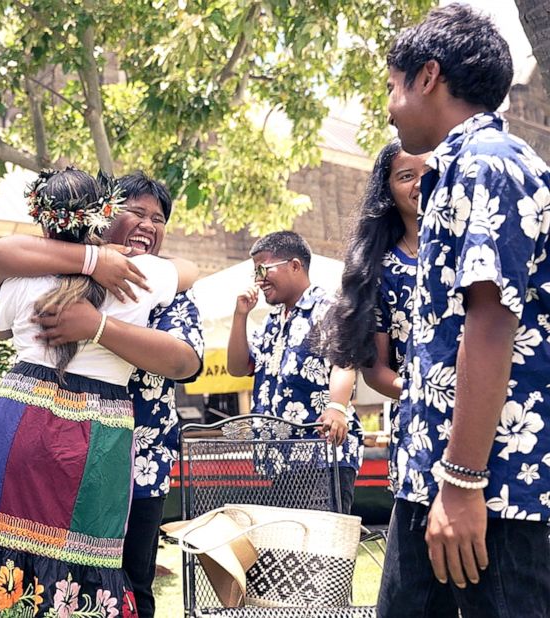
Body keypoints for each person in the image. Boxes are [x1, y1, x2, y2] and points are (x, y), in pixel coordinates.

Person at [0, 167, 196, 617]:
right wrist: (94, 262)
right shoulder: (147, 275)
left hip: (23, 415)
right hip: (99, 431)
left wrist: (93, 316)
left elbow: (1, 319)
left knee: (1, 546)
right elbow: (189, 270)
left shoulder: (24, 277)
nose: (148, 226)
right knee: (85, 561)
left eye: (158, 220)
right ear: (104, 215)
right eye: (135, 213)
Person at [376, 5, 550, 617]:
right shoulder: (453, 170)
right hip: (433, 475)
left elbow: (492, 322)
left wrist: (463, 484)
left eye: (392, 87)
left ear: (427, 76)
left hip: (488, 488)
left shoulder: (489, 164)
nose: (389, 106)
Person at [227, 231, 364, 513]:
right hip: (280, 459)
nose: (258, 279)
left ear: (295, 265)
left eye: (263, 269)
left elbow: (344, 360)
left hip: (323, 455)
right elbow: (238, 367)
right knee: (291, 551)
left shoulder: (328, 308)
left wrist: (337, 407)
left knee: (322, 550)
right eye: (255, 271)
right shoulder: (270, 322)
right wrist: (240, 316)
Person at [319, 140, 429, 487]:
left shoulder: (472, 248)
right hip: (418, 422)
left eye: (429, 172)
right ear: (389, 191)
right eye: (406, 176)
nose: (420, 184)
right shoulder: (380, 270)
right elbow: (376, 370)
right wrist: (424, 395)